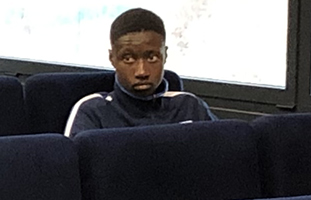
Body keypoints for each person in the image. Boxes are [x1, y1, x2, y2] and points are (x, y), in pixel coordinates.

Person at [65, 8, 216, 135]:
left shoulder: (189, 107)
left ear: (165, 55)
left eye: (152, 58)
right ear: (112, 59)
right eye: (128, 59)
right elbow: (73, 169)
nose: (142, 72)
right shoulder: (93, 112)